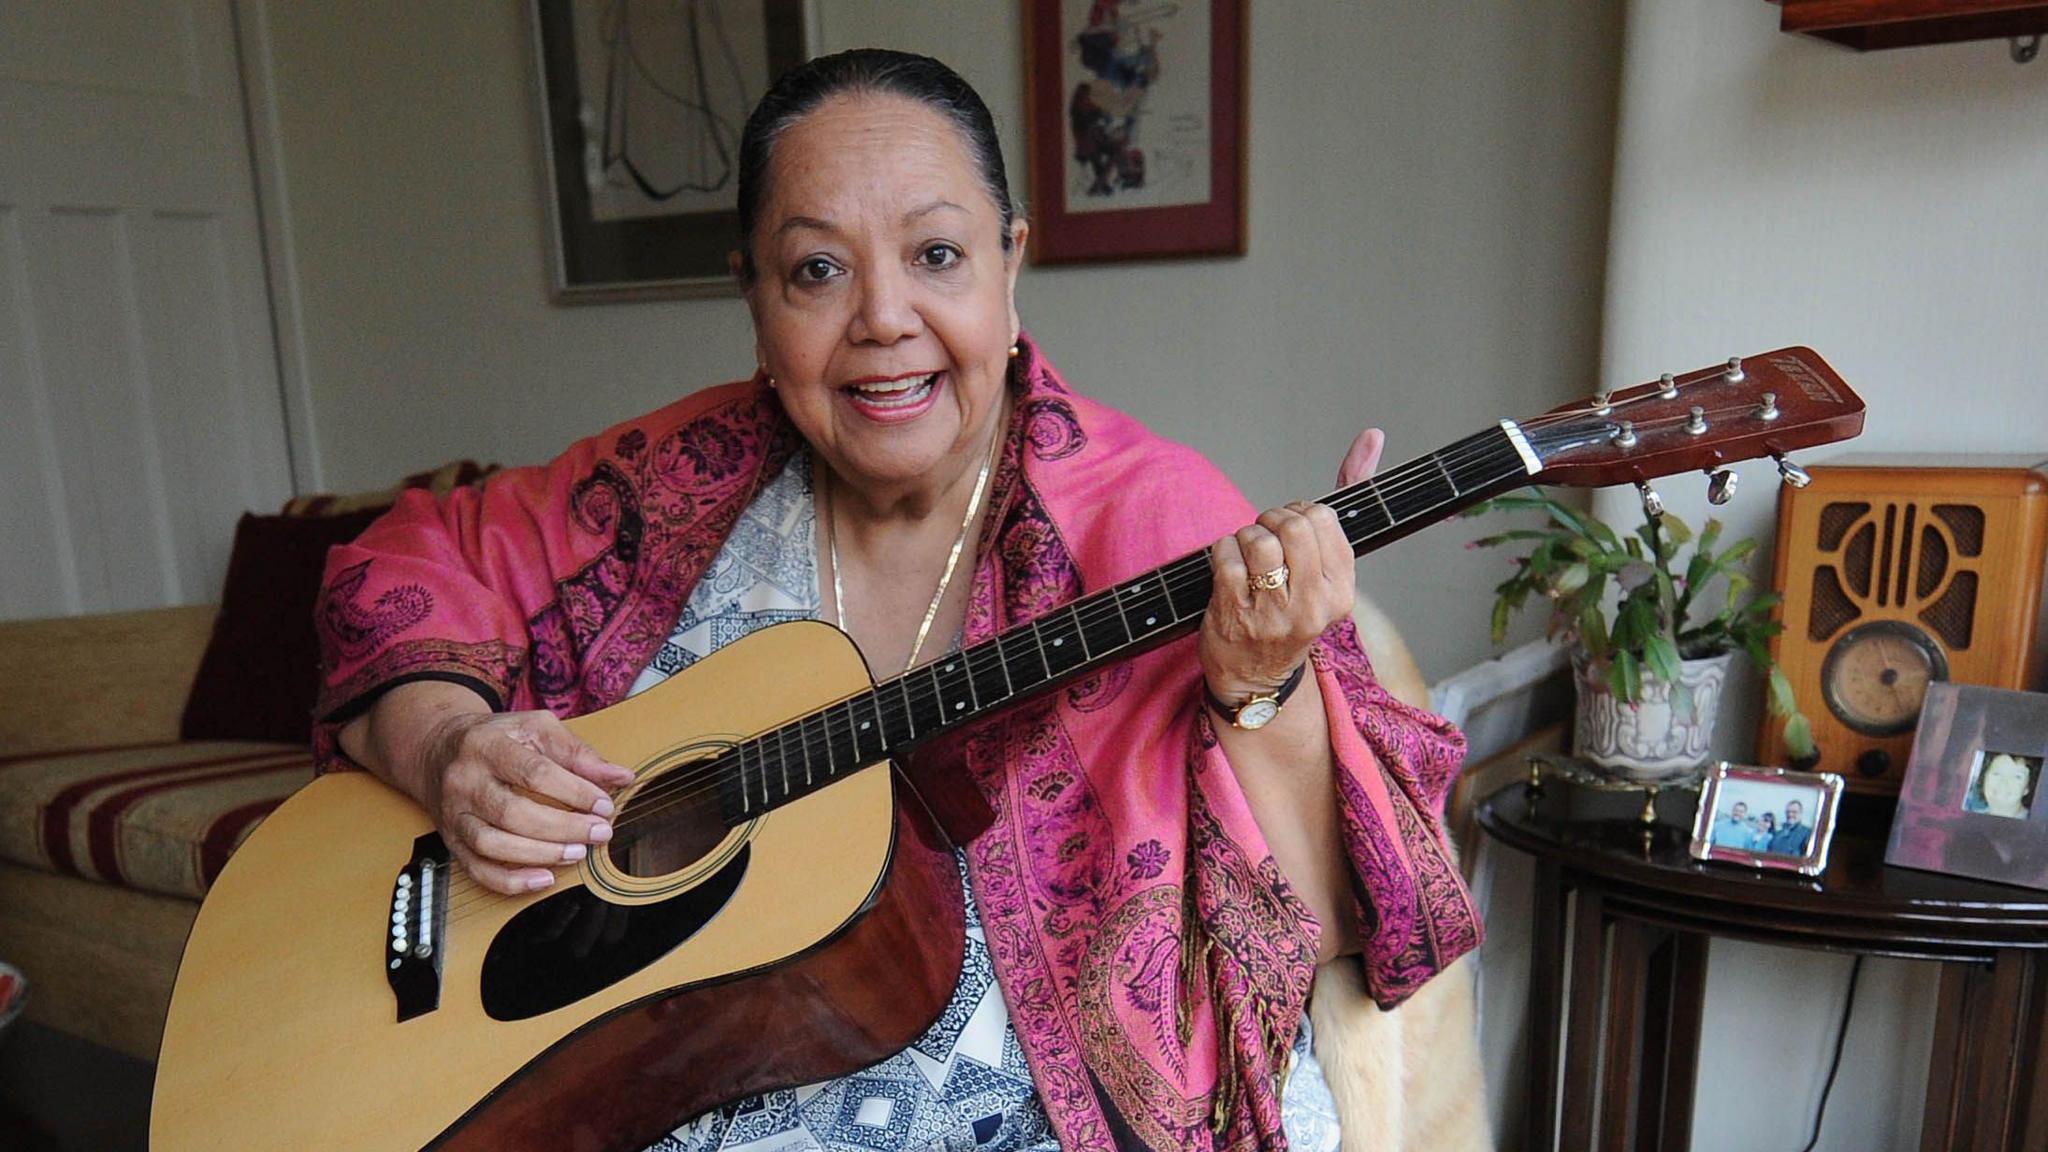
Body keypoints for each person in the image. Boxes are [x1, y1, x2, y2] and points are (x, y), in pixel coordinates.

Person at [313, 49, 1475, 1152]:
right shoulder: (677, 479)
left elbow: (1323, 922)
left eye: (935, 256)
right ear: (753, 299)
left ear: (1009, 264)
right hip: (647, 1090)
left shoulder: (1152, 518)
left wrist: (1263, 689)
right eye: (817, 269)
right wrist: (448, 744)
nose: (881, 319)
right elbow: (408, 560)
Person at [1971, 752, 2036, 819]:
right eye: (1997, 773)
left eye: (2017, 777)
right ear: (1984, 777)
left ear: (2027, 788)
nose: (2004, 782)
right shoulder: (1969, 818)